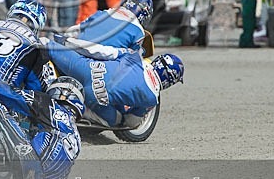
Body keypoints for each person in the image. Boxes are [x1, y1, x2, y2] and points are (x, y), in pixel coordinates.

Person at [47, 39, 184, 127]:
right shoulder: (152, 99)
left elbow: (105, 53)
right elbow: (132, 122)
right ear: (170, 81)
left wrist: (70, 42)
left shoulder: (136, 57)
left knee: (49, 46)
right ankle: (78, 115)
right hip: (95, 99)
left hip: (87, 70)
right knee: (117, 120)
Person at [57, 0, 153, 60]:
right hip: (103, 65)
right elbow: (132, 59)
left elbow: (72, 32)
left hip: (76, 55)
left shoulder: (102, 13)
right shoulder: (138, 31)